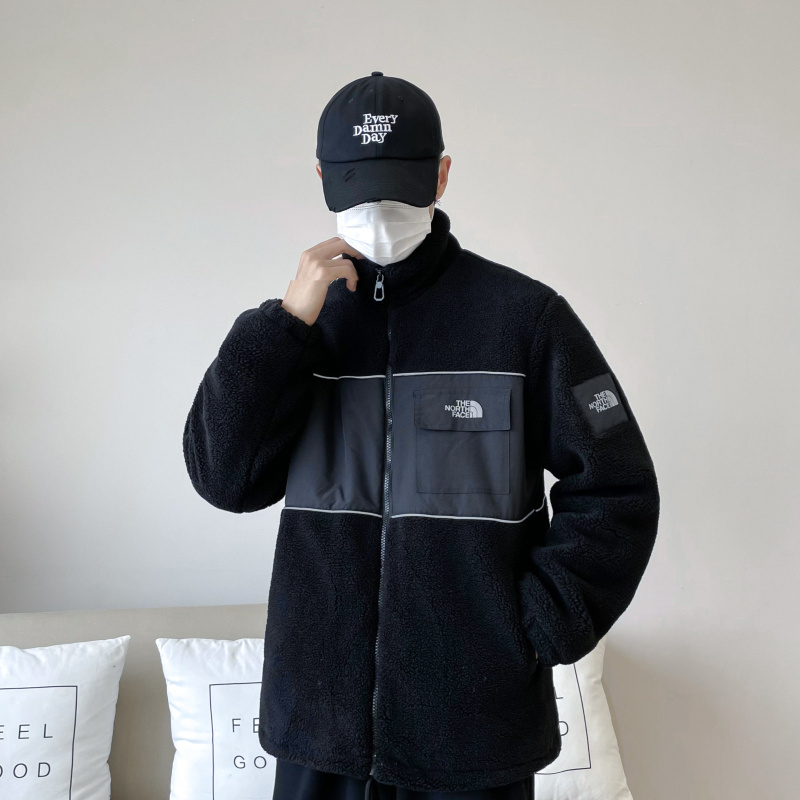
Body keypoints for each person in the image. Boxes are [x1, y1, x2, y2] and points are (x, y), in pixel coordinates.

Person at [182, 72, 660, 800]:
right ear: (322, 178)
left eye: (400, 187)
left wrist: (534, 626)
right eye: (357, 188)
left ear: (441, 174)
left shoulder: (526, 320)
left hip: (476, 732)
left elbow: (618, 485)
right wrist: (281, 328)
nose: (378, 213)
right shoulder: (295, 330)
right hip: (318, 733)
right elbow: (224, 480)